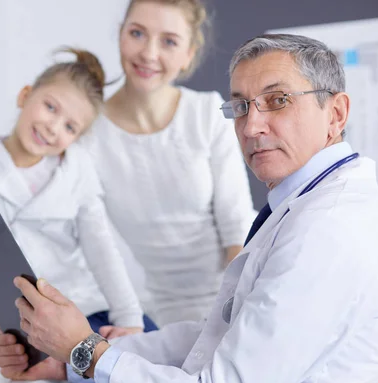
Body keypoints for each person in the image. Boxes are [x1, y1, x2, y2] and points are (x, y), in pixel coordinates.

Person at [0, 34, 378, 383]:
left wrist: (84, 351)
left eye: (277, 101)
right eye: (240, 107)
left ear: (336, 114)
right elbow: (212, 337)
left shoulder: (329, 230)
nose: (251, 127)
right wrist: (67, 362)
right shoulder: (307, 206)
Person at [0, 48, 156, 373]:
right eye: (50, 107)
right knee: (42, 355)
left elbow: (101, 248)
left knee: (150, 346)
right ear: (25, 95)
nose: (53, 127)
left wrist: (129, 318)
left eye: (70, 127)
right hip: (22, 322)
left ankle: (63, 366)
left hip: (81, 308)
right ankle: (53, 365)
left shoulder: (77, 168)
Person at [78, 0, 256, 326]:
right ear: (120, 35)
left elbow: (238, 229)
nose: (148, 53)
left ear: (189, 53)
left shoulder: (206, 114)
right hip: (161, 311)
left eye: (169, 41)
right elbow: (79, 236)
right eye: (137, 33)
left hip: (244, 291)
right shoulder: (89, 135)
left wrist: (231, 319)